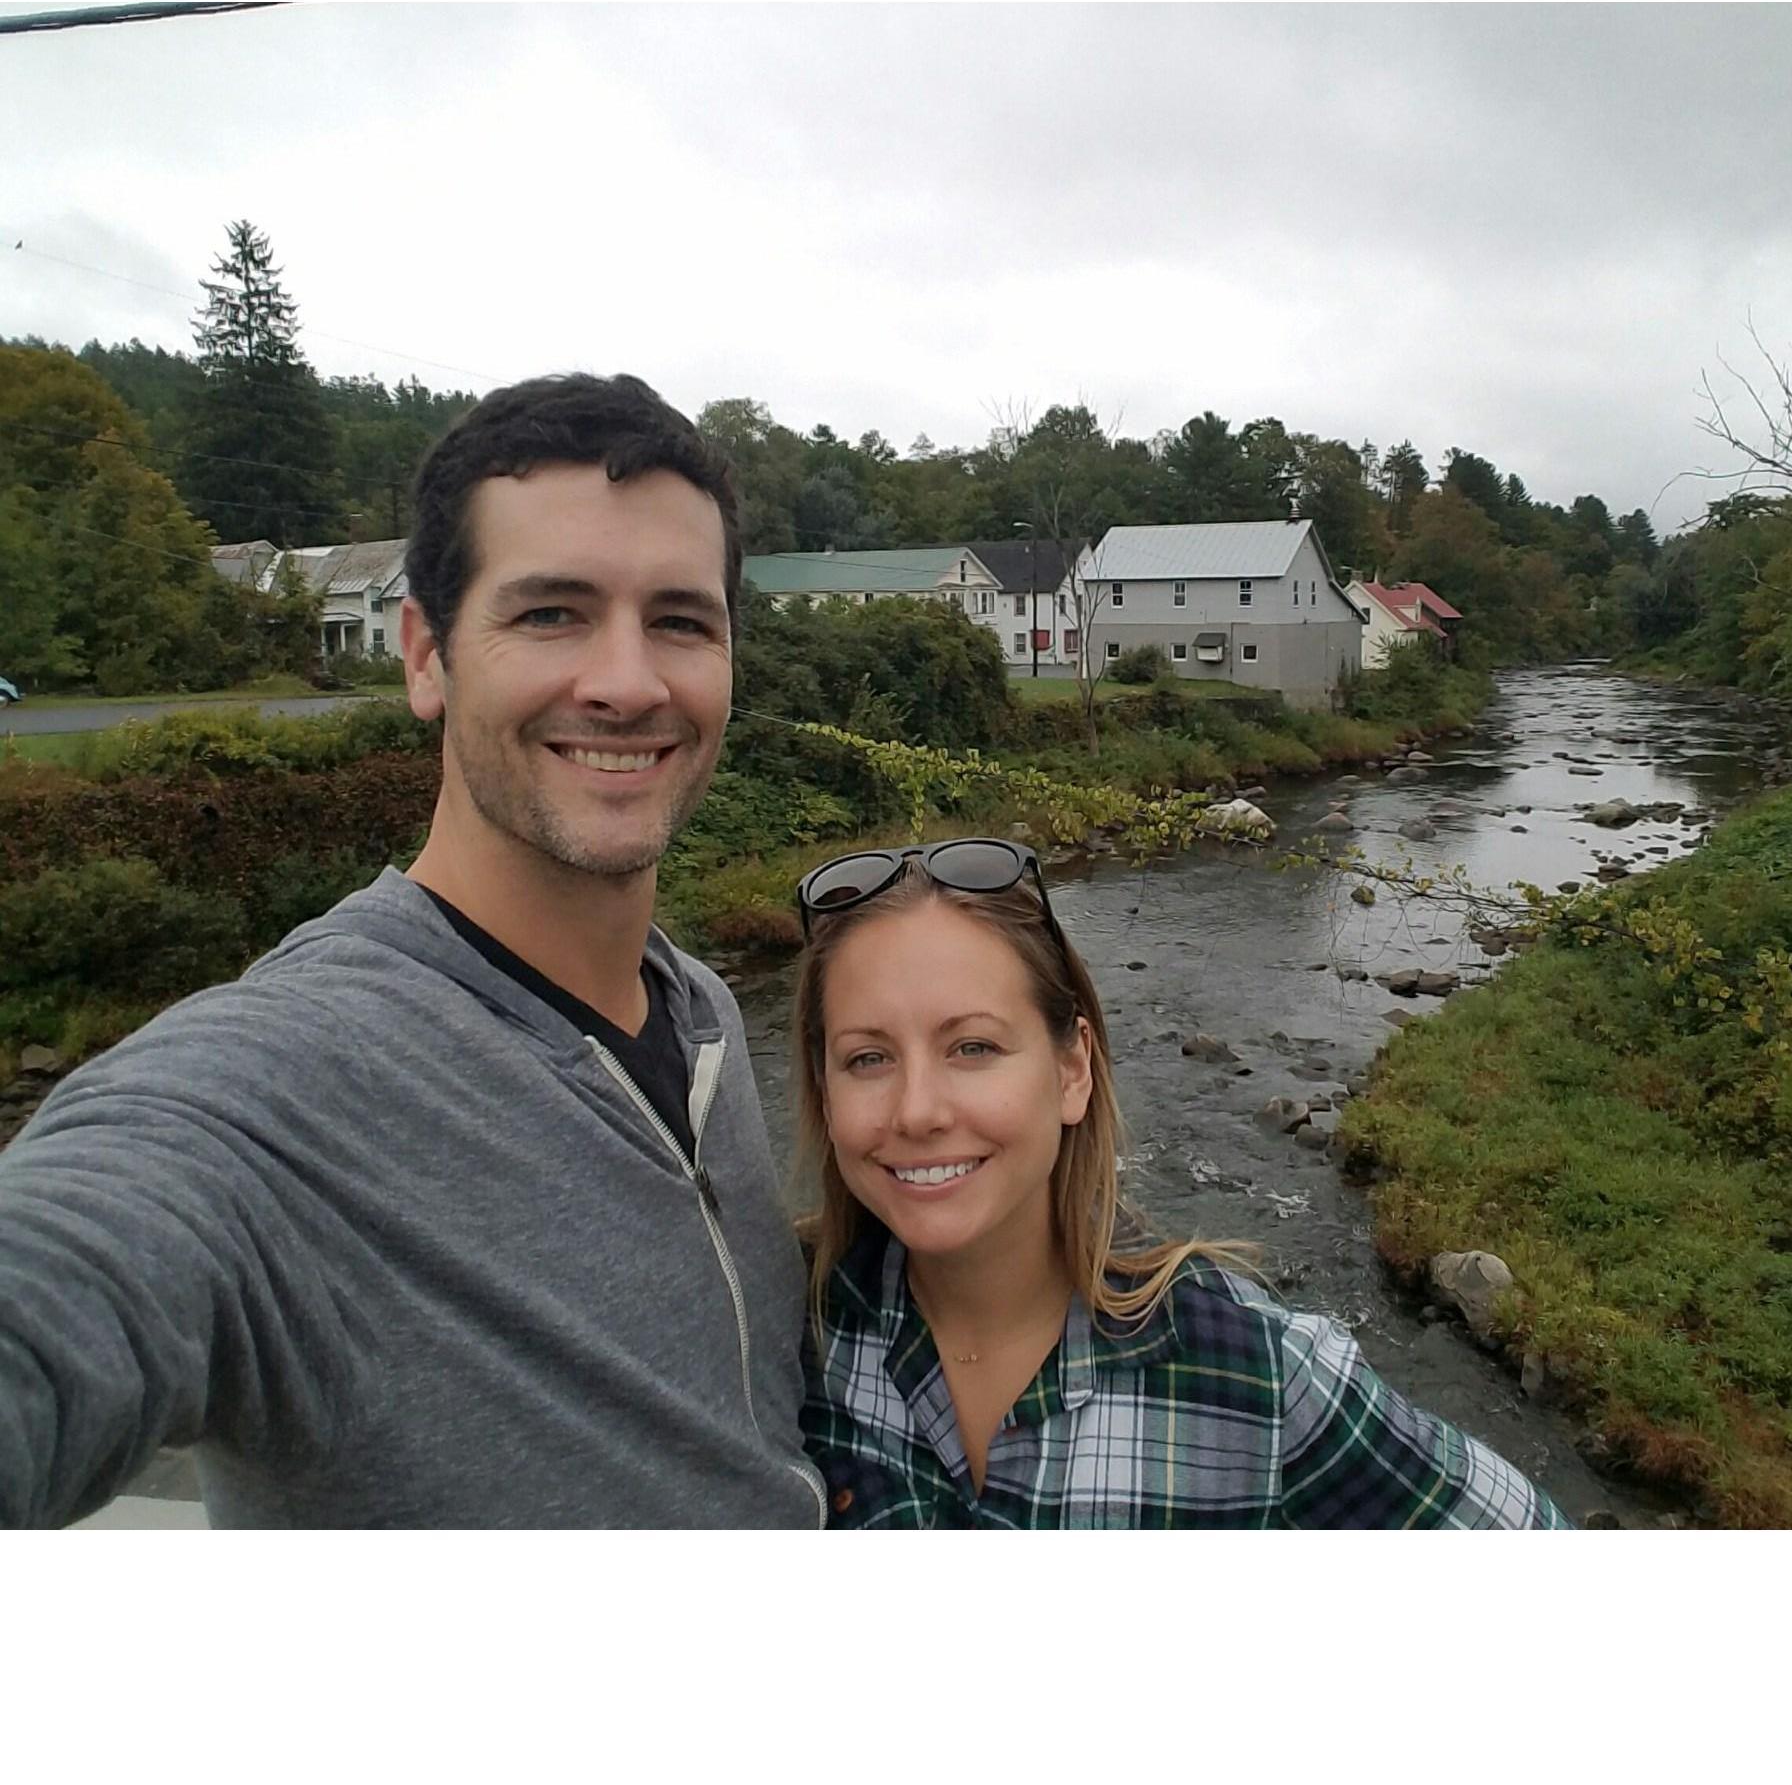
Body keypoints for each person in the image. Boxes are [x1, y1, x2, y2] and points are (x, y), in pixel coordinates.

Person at [0, 373, 824, 1529]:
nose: (630, 683)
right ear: (426, 657)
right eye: (551, 613)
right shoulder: (282, 1088)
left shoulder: (702, 1018)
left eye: (681, 621)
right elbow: (74, 1266)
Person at [792, 838, 1569, 1528]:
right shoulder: (790, 1330)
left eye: (971, 1047)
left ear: (1071, 1070)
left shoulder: (1256, 1376)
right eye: (868, 1058)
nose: (917, 1109)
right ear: (825, 1094)